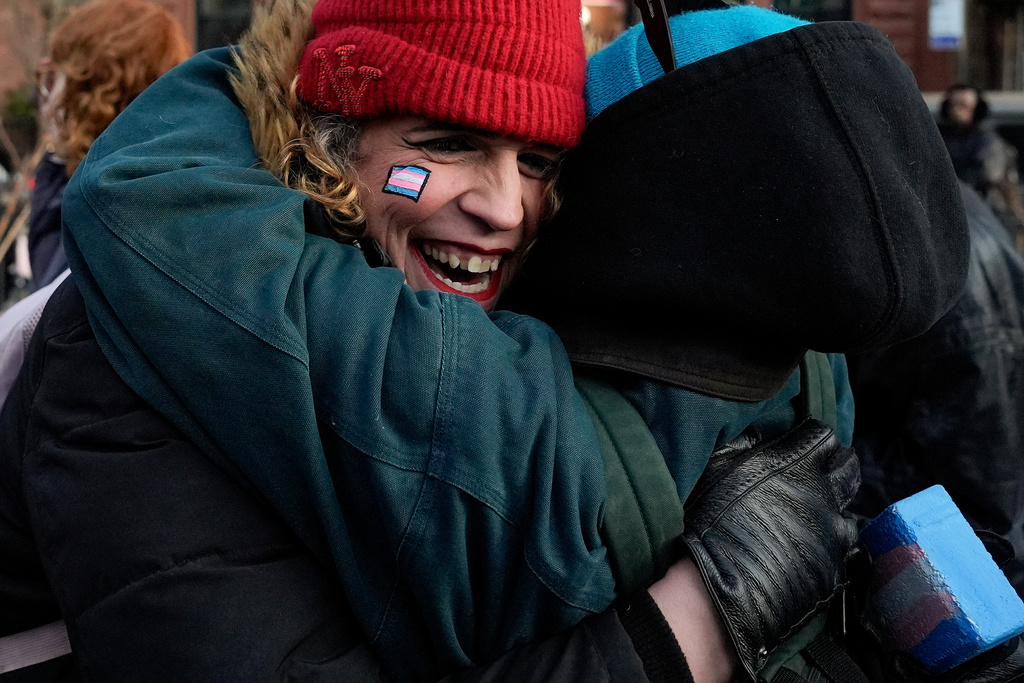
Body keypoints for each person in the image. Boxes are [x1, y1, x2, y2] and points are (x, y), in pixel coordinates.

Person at [0, 2, 981, 682]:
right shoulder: (128, 346)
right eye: (443, 143)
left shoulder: (518, 314)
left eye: (538, 159)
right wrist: (687, 628)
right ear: (331, 136)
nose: (501, 207)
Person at [849, 181, 1024, 598]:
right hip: (989, 542)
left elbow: (976, 498)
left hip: (970, 572)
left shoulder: (895, 237)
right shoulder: (936, 197)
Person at [26, 0, 190, 291]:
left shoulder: (108, 221)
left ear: (92, 85)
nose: (47, 99)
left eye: (53, 77)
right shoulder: (71, 180)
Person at [938, 84, 1024, 257]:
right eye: (953, 105)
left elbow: (989, 175)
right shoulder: (940, 138)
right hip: (947, 210)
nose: (957, 110)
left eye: (963, 105)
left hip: (986, 212)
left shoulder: (989, 142)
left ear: (975, 108)